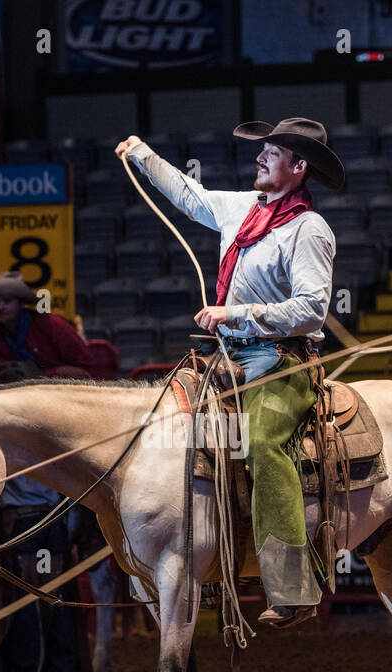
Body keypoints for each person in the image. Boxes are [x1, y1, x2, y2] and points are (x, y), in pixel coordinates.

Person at [116, 117, 344, 628]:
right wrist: (144, 155)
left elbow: (311, 309)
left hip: (278, 358)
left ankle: (292, 587)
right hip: (227, 355)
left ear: (299, 166)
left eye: (272, 152)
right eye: (261, 151)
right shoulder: (242, 208)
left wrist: (235, 314)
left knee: (263, 442)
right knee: (180, 437)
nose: (260, 158)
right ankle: (212, 565)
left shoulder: (309, 229)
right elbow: (192, 196)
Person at [0, 361, 86, 672]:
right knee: (55, 591)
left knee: (26, 594)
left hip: (24, 520)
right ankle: (62, 669)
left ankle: (26, 670)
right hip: (52, 517)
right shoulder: (45, 427)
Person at [0, 270, 92, 376]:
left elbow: (85, 366)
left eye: (7, 301)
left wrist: (45, 376)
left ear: (21, 303)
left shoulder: (52, 325)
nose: (0, 307)